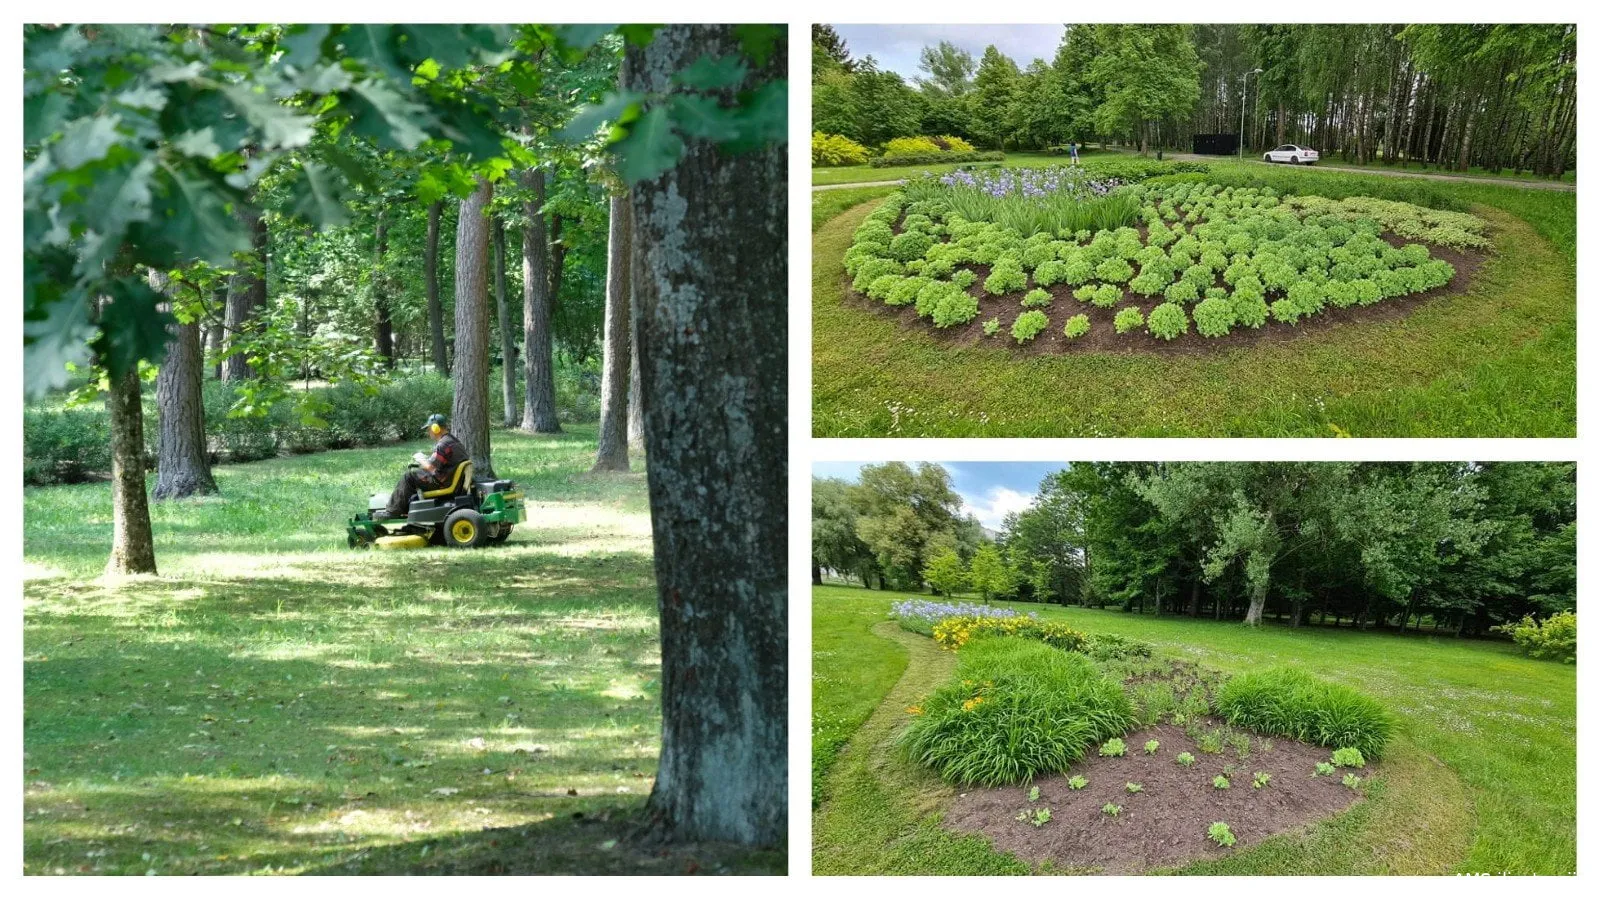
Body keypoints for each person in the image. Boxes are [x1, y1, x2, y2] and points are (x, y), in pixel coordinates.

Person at [384, 413, 466, 518]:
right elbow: (439, 461)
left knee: (408, 477)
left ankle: (392, 512)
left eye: (428, 429)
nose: (428, 432)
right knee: (416, 476)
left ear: (435, 428)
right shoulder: (454, 441)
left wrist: (420, 459)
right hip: (450, 479)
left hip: (442, 482)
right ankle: (407, 509)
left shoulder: (443, 444)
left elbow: (430, 467)